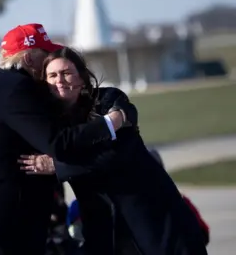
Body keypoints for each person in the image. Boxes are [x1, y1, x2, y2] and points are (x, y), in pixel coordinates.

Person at [0, 23, 126, 255]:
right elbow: (58, 143)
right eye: (46, 55)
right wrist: (111, 123)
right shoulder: (16, 89)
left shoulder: (0, 85)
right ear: (30, 59)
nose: (50, 60)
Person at [19, 47, 208, 254]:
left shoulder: (108, 100)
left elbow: (115, 155)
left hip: (154, 220)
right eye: (52, 75)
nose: (59, 80)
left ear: (82, 78)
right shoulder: (52, 126)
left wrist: (58, 166)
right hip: (104, 232)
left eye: (66, 73)